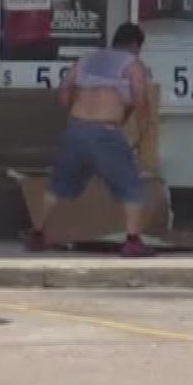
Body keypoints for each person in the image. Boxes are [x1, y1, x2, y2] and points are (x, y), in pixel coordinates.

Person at [27, 22, 158, 257]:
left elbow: (64, 91)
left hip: (75, 130)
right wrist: (142, 131)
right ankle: (132, 241)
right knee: (131, 188)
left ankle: (37, 234)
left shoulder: (87, 59)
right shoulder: (133, 65)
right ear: (136, 45)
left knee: (57, 187)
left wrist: (78, 113)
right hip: (105, 133)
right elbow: (141, 101)